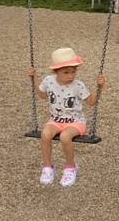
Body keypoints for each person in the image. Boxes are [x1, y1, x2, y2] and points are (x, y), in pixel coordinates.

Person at [27, 48, 105, 187]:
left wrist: (100, 87)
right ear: (56, 72)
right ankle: (47, 167)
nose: (70, 76)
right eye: (66, 72)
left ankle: (70, 168)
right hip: (55, 121)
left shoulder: (78, 85)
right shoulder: (49, 81)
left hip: (75, 122)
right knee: (45, 134)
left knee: (65, 137)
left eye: (73, 71)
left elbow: (91, 102)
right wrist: (34, 79)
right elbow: (42, 95)